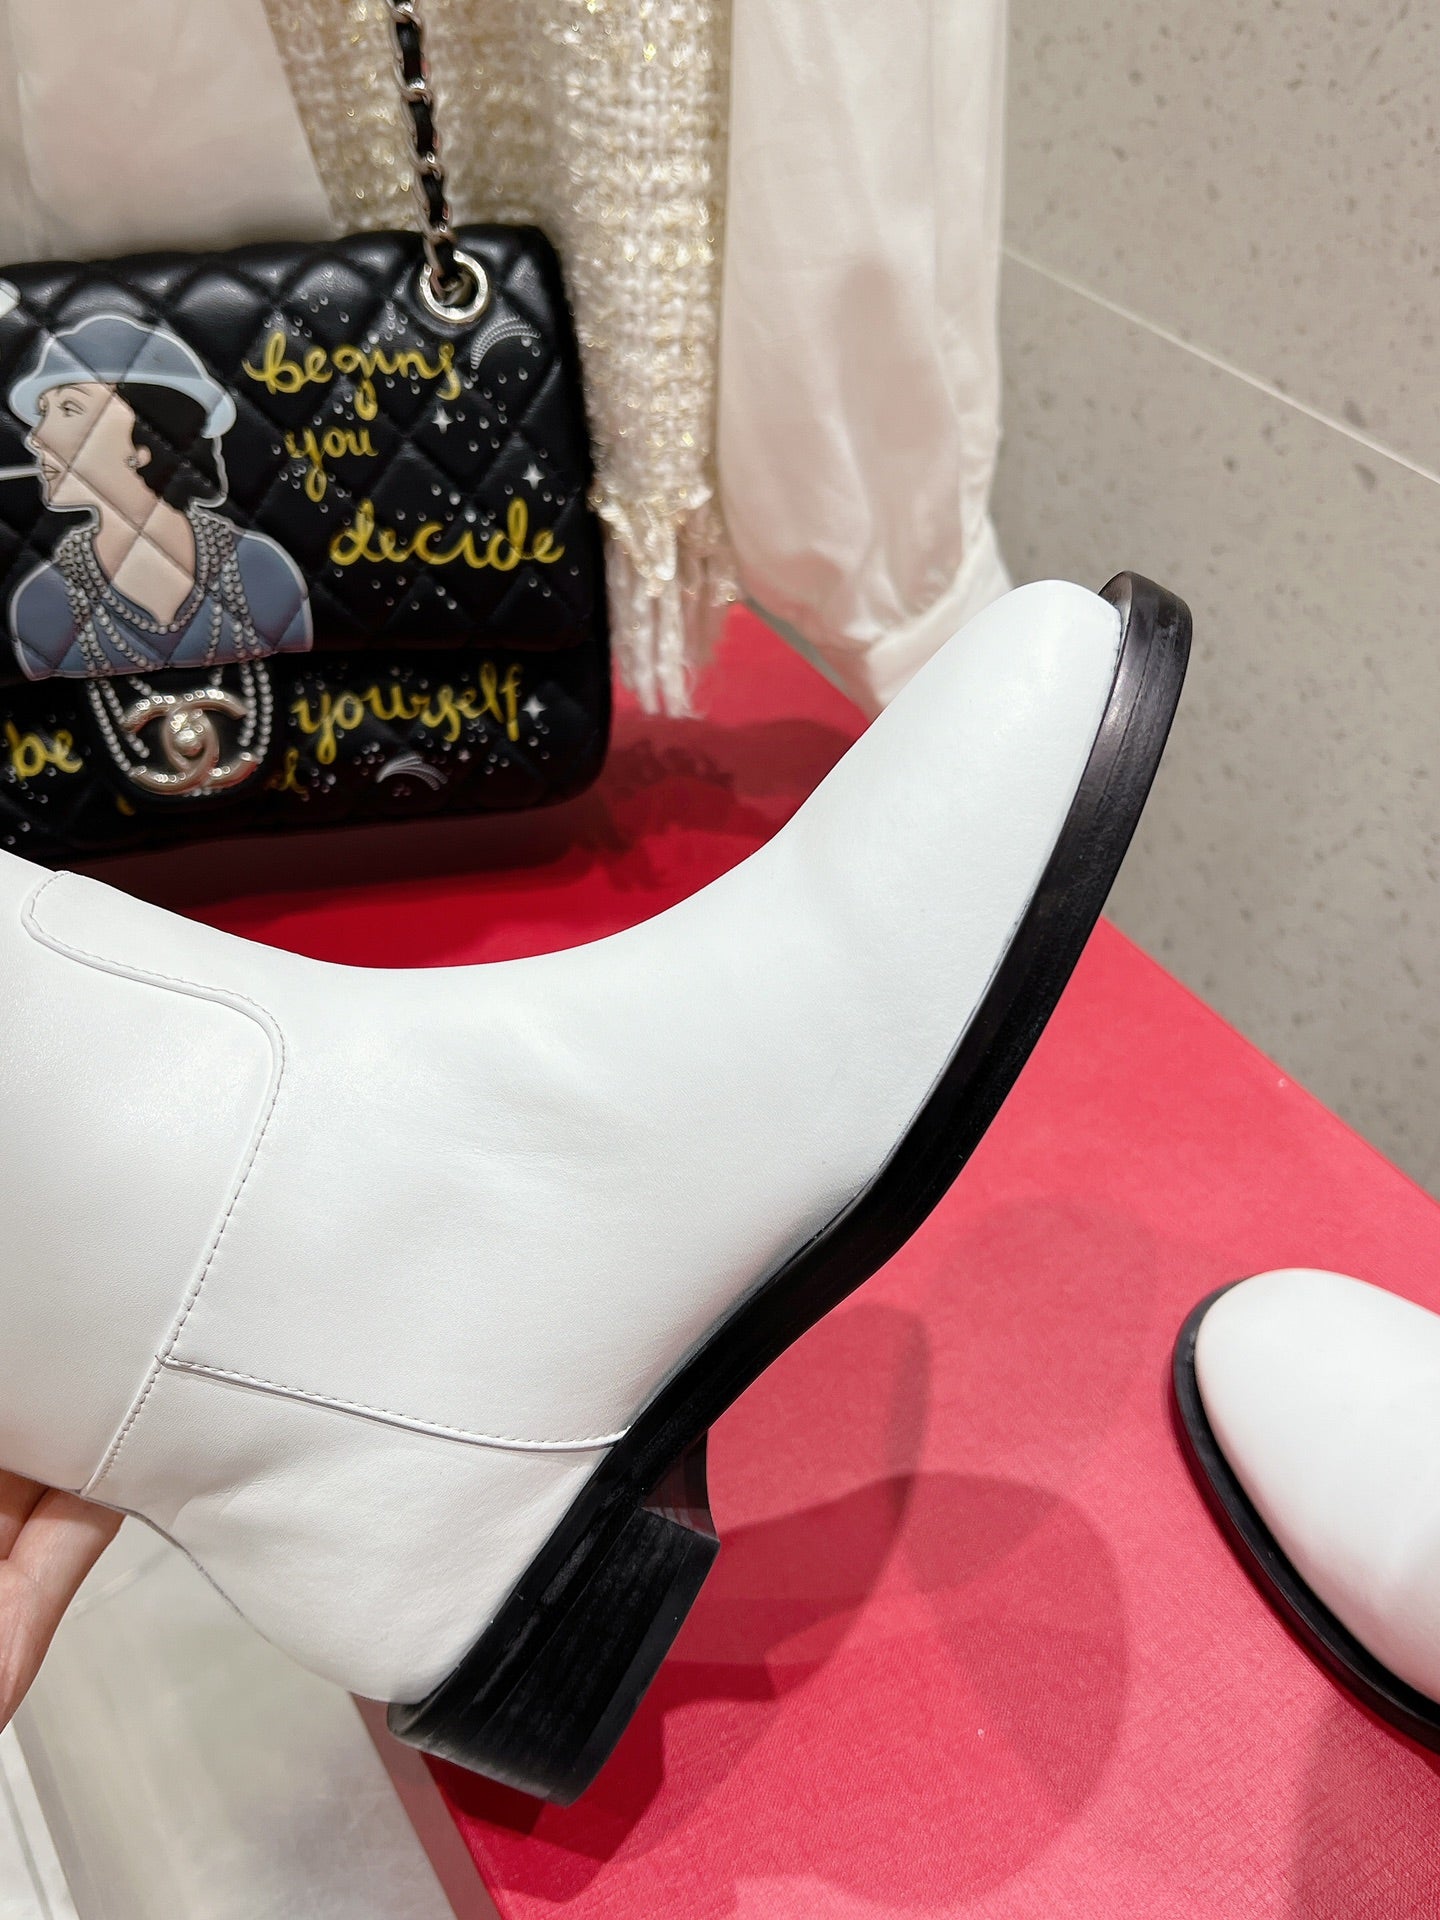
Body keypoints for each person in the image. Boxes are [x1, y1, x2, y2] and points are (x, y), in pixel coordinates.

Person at [6, 314, 312, 682]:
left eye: (69, 408)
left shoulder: (262, 570)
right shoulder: (40, 601)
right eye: (43, 412)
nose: (35, 437)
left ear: (149, 439)